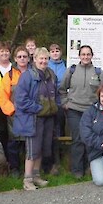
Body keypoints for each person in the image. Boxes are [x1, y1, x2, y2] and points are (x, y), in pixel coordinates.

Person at [13, 47, 59, 191]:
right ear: (35, 59)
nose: (44, 61)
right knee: (32, 151)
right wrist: (38, 108)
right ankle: (27, 180)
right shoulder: (27, 76)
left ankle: (36, 176)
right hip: (33, 119)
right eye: (41, 58)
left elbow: (56, 94)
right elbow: (20, 100)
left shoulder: (51, 74)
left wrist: (56, 106)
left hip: (48, 118)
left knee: (42, 149)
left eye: (46, 59)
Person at [59, 45, 103, 178]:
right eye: (83, 54)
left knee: (91, 139)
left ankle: (90, 167)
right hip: (74, 110)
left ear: (92, 56)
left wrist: (101, 108)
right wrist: (65, 103)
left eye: (88, 54)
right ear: (79, 56)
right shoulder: (72, 71)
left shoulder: (98, 72)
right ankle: (77, 170)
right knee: (78, 139)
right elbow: (62, 89)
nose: (85, 57)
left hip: (92, 111)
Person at [0, 46, 29, 177]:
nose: (22, 59)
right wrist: (12, 110)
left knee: (29, 143)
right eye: (19, 56)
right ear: (15, 58)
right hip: (14, 116)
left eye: (25, 56)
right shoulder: (9, 75)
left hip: (30, 114)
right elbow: (2, 97)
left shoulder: (34, 73)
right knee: (13, 143)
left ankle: (30, 170)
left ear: (28, 58)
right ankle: (15, 168)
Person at [44, 43, 67, 175]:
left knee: (60, 128)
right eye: (52, 51)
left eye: (57, 51)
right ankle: (52, 157)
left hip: (61, 101)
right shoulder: (46, 65)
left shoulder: (66, 65)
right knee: (50, 129)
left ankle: (60, 154)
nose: (55, 53)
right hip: (49, 101)